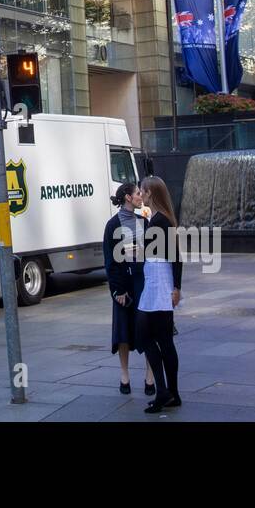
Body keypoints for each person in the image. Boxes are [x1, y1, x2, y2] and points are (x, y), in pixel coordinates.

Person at [103, 183, 155, 396]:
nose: (140, 196)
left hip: (143, 282)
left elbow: (152, 255)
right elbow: (110, 261)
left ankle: (149, 377)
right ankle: (124, 376)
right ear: (127, 197)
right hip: (124, 285)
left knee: (148, 330)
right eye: (137, 193)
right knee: (123, 331)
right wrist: (117, 291)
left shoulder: (144, 221)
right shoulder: (112, 225)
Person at [137, 176, 183, 413]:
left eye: (142, 191)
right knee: (163, 341)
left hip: (159, 282)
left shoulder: (160, 221)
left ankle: (164, 391)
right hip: (157, 281)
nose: (140, 194)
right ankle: (170, 392)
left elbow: (175, 256)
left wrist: (176, 288)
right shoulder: (158, 219)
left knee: (147, 337)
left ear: (150, 193)